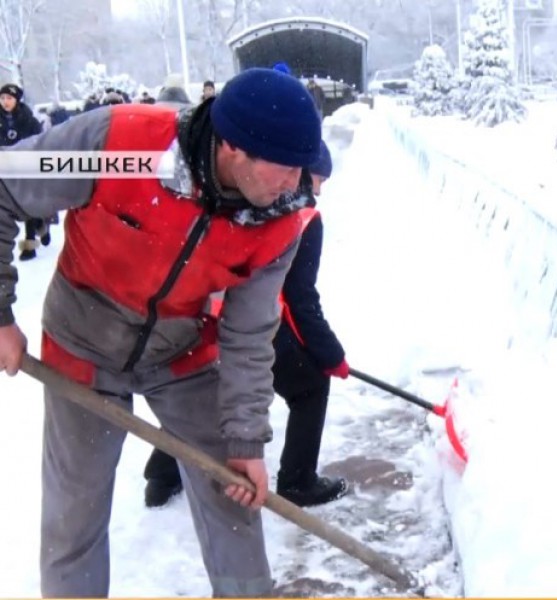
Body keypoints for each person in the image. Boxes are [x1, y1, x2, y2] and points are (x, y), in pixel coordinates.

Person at [0, 67, 322, 597]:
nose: (296, 185)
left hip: (184, 351)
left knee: (233, 495)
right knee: (73, 519)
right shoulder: (119, 145)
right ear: (234, 148)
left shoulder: (279, 219)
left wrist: (245, 439)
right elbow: (7, 182)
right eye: (285, 169)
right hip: (82, 344)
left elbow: (247, 335)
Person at [144, 142, 351, 509]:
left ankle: (161, 477)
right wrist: (329, 354)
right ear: (297, 174)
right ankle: (298, 481)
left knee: (201, 391)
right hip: (251, 323)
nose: (318, 190)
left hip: (203, 315)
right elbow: (298, 300)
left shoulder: (233, 195)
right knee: (310, 388)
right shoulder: (303, 218)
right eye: (318, 179)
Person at [0, 83, 46, 262]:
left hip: (25, 166)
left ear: (17, 100)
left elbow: (39, 141)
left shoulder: (29, 120)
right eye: (2, 98)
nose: (5, 102)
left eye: (9, 98)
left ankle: (29, 243)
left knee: (27, 204)